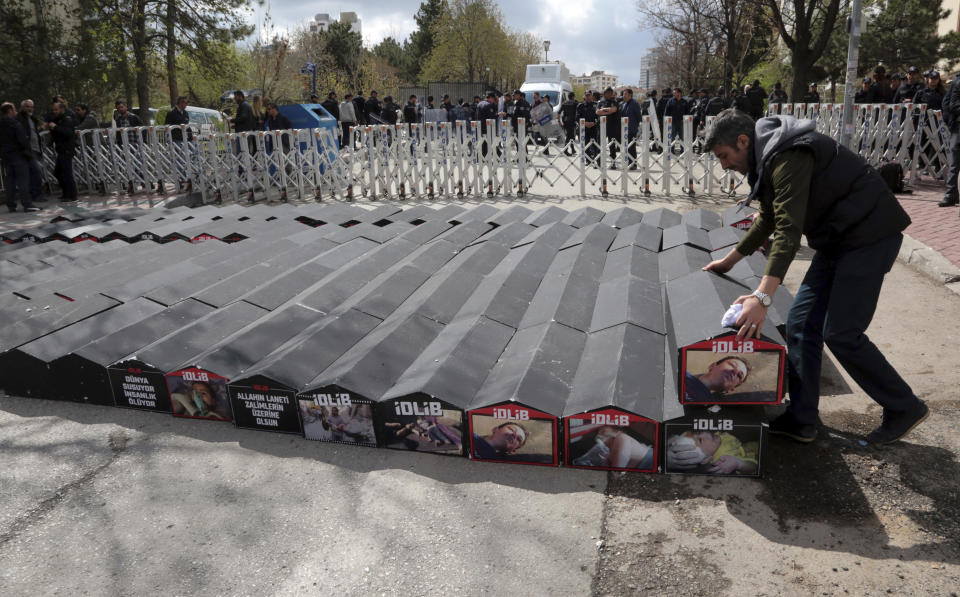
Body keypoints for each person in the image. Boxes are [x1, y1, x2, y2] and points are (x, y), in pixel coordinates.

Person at [702, 109, 927, 444]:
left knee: (841, 333)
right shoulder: (770, 158)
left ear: (743, 141)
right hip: (838, 240)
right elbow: (768, 217)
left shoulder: (790, 154)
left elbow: (789, 231)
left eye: (724, 156)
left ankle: (904, 406)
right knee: (801, 323)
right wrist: (730, 260)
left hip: (869, 237)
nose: (724, 166)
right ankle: (802, 419)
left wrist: (762, 297)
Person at [0, 102, 40, 212]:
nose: (16, 112)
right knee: (23, 181)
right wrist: (28, 153)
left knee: (10, 181)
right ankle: (27, 204)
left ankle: (11, 205)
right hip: (18, 155)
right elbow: (23, 141)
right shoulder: (15, 124)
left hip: (6, 157)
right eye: (14, 110)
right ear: (9, 111)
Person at [666, 430, 758, 475]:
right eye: (701, 440)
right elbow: (753, 467)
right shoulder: (723, 458)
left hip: (744, 443)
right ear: (707, 459)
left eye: (697, 432)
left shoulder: (713, 442)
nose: (705, 433)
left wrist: (671, 440)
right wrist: (739, 464)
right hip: (752, 454)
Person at [572, 425, 654, 469]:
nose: (600, 431)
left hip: (650, 460)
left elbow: (617, 468)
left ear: (618, 431)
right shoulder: (609, 451)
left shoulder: (621, 437)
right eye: (600, 430)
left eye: (604, 429)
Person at [684, 356, 750, 402]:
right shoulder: (678, 374)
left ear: (731, 389)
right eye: (732, 365)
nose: (735, 371)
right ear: (712, 366)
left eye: (739, 375)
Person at [47, 101, 78, 201]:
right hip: (61, 150)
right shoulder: (59, 119)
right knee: (58, 172)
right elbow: (57, 134)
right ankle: (66, 193)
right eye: (53, 110)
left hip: (66, 150)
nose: (54, 111)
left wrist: (55, 127)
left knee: (66, 173)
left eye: (56, 109)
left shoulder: (67, 119)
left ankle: (72, 195)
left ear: (62, 109)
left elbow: (68, 133)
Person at [17, 99, 46, 203]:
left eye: (31, 107)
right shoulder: (20, 118)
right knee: (36, 170)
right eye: (27, 106)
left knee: (36, 171)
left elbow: (34, 134)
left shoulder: (32, 119)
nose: (30, 109)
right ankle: (36, 194)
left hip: (36, 149)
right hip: (28, 150)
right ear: (22, 108)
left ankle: (36, 194)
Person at [939, 72, 960, 207]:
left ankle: (951, 194)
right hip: (958, 128)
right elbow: (952, 105)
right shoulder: (958, 83)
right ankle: (951, 194)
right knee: (954, 163)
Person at [596, 87, 621, 161]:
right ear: (604, 93)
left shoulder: (614, 101)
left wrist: (603, 111)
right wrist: (607, 111)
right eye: (608, 93)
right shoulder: (600, 102)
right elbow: (597, 112)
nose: (610, 94)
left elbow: (613, 110)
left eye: (611, 93)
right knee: (599, 144)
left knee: (612, 144)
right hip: (601, 126)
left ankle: (613, 161)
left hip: (612, 126)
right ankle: (599, 161)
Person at [620, 88, 642, 168]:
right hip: (625, 129)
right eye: (623, 94)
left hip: (632, 129)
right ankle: (628, 162)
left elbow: (639, 117)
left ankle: (633, 164)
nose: (623, 96)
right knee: (627, 147)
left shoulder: (635, 103)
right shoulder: (624, 104)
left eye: (625, 94)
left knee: (631, 147)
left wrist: (638, 127)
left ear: (630, 95)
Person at [576, 90, 599, 163]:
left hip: (594, 128)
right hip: (584, 128)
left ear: (592, 96)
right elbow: (577, 117)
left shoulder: (596, 105)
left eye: (589, 95)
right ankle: (588, 160)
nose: (588, 97)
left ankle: (596, 159)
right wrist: (584, 123)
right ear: (584, 96)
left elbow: (598, 116)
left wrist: (594, 123)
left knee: (595, 144)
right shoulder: (580, 105)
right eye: (587, 95)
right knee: (585, 145)